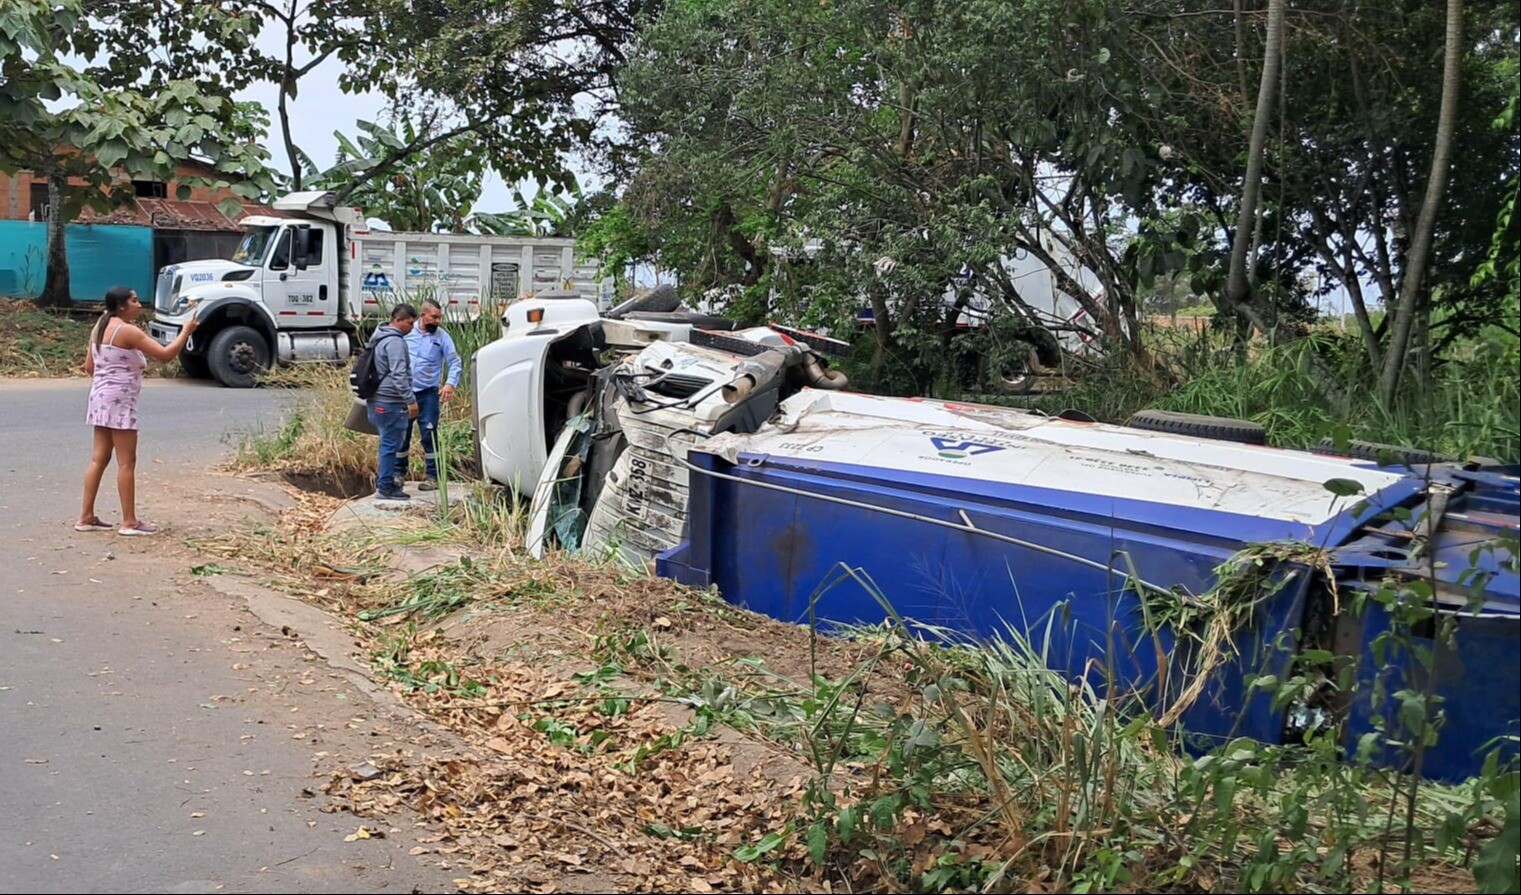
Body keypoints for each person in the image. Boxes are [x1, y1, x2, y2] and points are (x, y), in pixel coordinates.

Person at [77, 286, 199, 536]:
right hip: (120, 401)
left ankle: (86, 517)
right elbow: (165, 355)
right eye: (134, 301)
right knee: (126, 462)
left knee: (98, 458)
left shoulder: (100, 326)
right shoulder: (128, 331)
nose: (139, 305)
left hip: (100, 398)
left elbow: (90, 366)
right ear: (122, 305)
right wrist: (186, 331)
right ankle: (130, 522)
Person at [399, 299, 463, 491]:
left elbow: (455, 362)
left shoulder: (442, 337)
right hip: (405, 392)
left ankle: (432, 477)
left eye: (439, 317)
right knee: (402, 433)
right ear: (423, 315)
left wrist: (450, 384)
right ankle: (397, 474)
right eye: (433, 317)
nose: (437, 321)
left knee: (429, 434)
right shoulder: (407, 334)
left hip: (428, 394)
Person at [366, 303, 420, 501]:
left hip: (376, 400)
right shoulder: (395, 342)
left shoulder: (378, 336)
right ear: (398, 320)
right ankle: (385, 487)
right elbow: (399, 374)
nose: (411, 328)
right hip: (390, 401)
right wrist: (410, 400)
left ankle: (385, 482)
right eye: (409, 323)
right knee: (390, 444)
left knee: (386, 443)